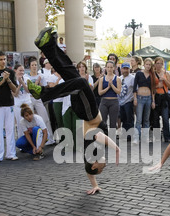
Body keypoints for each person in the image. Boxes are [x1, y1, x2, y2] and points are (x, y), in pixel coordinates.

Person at [30, 27, 120, 195]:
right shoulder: (90, 159)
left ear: (95, 164)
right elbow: (89, 172)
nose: (103, 168)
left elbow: (100, 136)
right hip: (82, 109)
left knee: (81, 83)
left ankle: (43, 93)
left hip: (88, 113)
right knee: (68, 71)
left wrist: (116, 149)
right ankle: (48, 45)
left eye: (100, 169)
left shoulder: (95, 152)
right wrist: (94, 185)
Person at [29, 60, 56, 145]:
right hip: (29, 99)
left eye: (35, 65)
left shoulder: (41, 75)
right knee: (30, 120)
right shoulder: (26, 77)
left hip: (38, 99)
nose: (34, 66)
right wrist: (37, 82)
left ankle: (50, 138)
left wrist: (40, 83)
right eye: (32, 65)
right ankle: (33, 141)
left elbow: (45, 88)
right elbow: (29, 89)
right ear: (30, 67)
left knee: (45, 119)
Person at [133, 58, 156, 144]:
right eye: (147, 64)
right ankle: (136, 138)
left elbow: (153, 89)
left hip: (148, 98)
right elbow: (135, 86)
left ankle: (145, 137)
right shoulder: (139, 73)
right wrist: (135, 98)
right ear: (144, 64)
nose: (148, 66)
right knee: (138, 119)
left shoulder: (152, 75)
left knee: (146, 119)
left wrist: (153, 101)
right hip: (140, 98)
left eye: (149, 65)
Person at [153, 57, 170, 142]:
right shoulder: (152, 74)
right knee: (155, 118)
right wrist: (158, 86)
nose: (159, 65)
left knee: (165, 117)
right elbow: (151, 87)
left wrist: (164, 80)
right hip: (156, 96)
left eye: (161, 63)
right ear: (155, 64)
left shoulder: (166, 74)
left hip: (164, 97)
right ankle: (157, 137)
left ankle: (167, 136)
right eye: (157, 63)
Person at [99, 60, 121, 130]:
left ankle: (112, 139)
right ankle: (104, 139)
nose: (109, 69)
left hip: (114, 101)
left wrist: (111, 85)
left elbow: (118, 91)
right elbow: (100, 92)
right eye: (108, 67)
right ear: (105, 68)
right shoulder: (102, 79)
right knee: (103, 122)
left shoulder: (117, 78)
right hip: (104, 101)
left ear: (114, 68)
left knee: (113, 123)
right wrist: (108, 87)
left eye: (111, 67)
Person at [13, 64, 32, 139]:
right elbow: (15, 94)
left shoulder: (27, 78)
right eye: (20, 70)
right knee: (20, 123)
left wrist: (22, 82)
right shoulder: (12, 80)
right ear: (15, 70)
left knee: (30, 121)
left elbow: (28, 91)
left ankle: (31, 140)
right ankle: (22, 139)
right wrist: (19, 84)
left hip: (27, 102)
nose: (22, 72)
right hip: (18, 104)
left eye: (23, 70)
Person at [118, 62, 135, 134]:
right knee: (123, 119)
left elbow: (135, 89)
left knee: (129, 119)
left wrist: (134, 99)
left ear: (129, 69)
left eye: (127, 69)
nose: (125, 70)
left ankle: (130, 134)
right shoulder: (119, 78)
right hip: (120, 102)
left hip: (128, 101)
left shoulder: (132, 78)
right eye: (124, 68)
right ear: (121, 69)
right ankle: (124, 134)